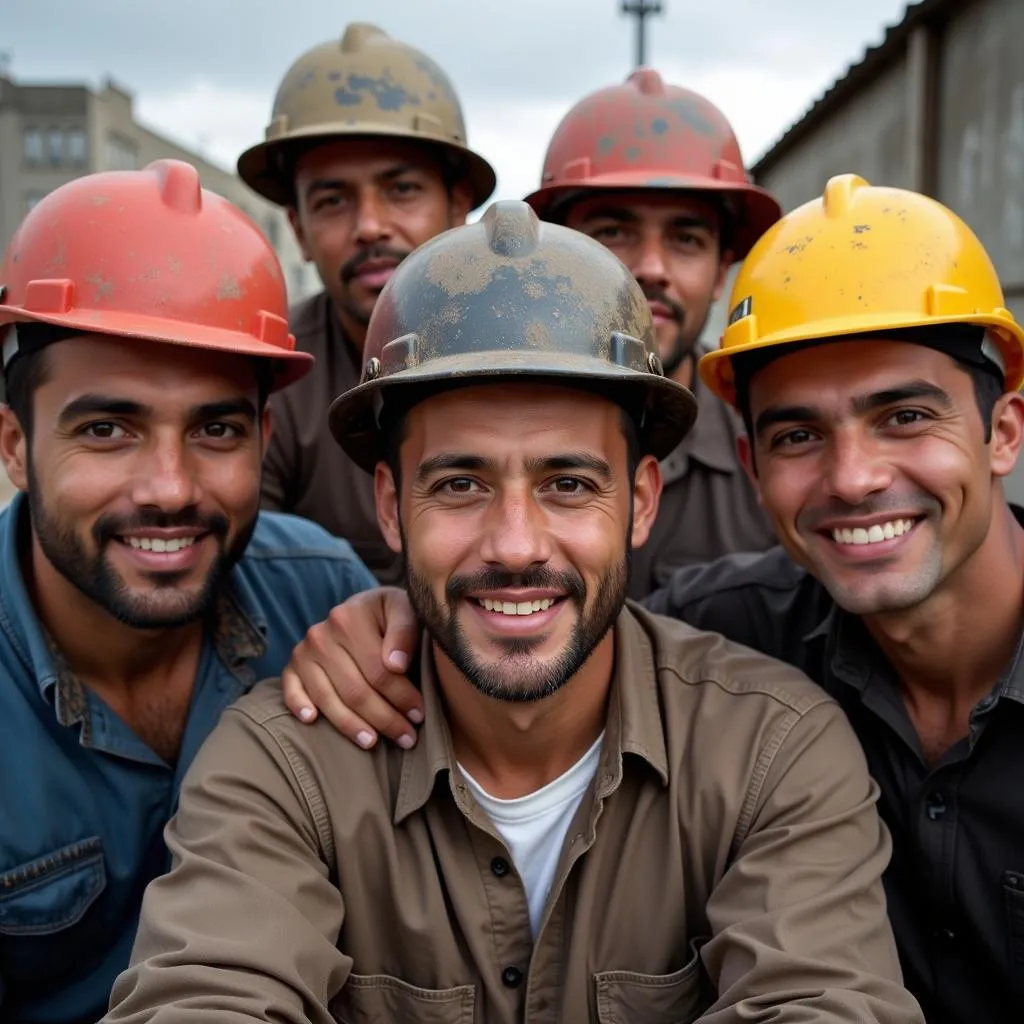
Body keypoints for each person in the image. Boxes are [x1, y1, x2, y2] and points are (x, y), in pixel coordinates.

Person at [106, 201, 922, 1023]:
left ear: (641, 503)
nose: (517, 544)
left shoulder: (770, 751)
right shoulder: (285, 767)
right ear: (390, 508)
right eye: (460, 484)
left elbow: (823, 1003)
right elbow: (204, 994)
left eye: (568, 484)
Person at [282, 175, 1024, 1024]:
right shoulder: (733, 625)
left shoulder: (766, 726)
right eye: (798, 436)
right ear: (751, 467)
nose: (854, 477)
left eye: (904, 418)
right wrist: (408, 614)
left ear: (1003, 431)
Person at [0, 160, 376, 1024]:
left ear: (266, 438)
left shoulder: (325, 601)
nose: (168, 487)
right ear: (16, 445)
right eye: (107, 429)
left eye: (215, 429)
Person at [242, 22, 497, 584]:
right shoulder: (268, 376)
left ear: (459, 208)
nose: (369, 226)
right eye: (333, 200)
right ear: (299, 231)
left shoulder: (532, 350)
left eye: (401, 189)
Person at [525, 69, 780, 596]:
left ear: (721, 272)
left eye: (685, 238)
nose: (651, 268)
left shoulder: (776, 441)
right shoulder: (479, 417)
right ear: (551, 257)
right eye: (614, 233)